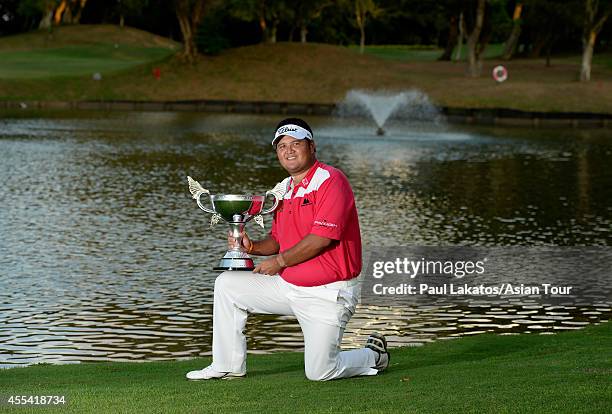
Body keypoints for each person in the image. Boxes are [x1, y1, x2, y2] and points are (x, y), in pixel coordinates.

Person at [186, 118, 390, 381]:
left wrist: (279, 262)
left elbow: (321, 238)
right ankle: (227, 365)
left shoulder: (331, 180)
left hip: (327, 293)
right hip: (288, 286)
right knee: (227, 284)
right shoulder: (285, 189)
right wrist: (253, 247)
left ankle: (373, 356)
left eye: (296, 144)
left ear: (312, 147)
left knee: (320, 372)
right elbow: (279, 239)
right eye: (282, 146)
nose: (289, 150)